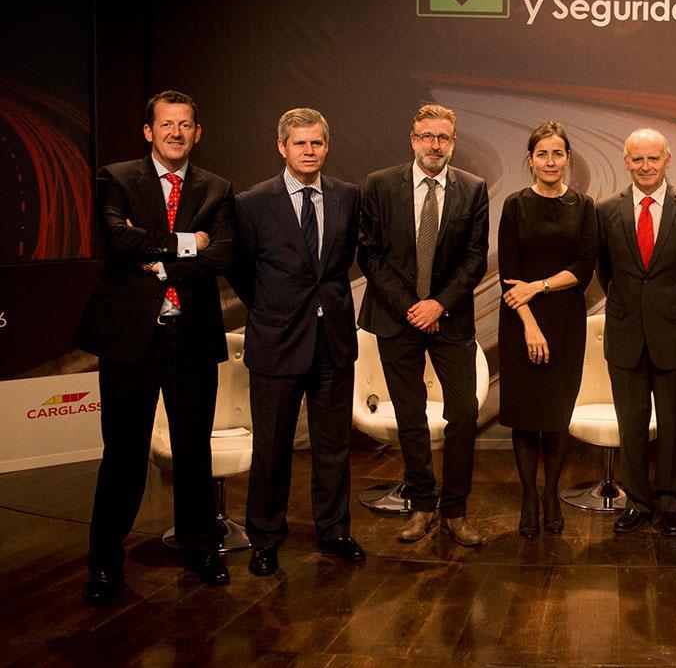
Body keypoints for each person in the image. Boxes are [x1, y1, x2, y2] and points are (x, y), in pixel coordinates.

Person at [74, 89, 235, 604]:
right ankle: (104, 562)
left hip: (191, 336)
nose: (175, 133)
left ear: (197, 132)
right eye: (166, 124)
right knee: (122, 454)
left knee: (193, 451)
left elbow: (224, 255)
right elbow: (118, 241)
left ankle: (200, 547)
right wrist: (190, 243)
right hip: (129, 340)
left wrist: (159, 257)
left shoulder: (217, 187)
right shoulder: (116, 178)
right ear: (149, 131)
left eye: (185, 125)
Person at [232, 108, 363, 576]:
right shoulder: (252, 202)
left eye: (317, 144)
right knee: (272, 448)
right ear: (282, 147)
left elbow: (343, 261)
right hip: (277, 341)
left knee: (333, 447)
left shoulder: (348, 196)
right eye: (300, 144)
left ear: (326, 147)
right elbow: (242, 271)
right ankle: (265, 538)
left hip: (333, 341)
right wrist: (277, 308)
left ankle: (335, 530)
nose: (309, 151)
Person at [358, 104, 489, 547]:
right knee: (410, 418)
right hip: (398, 319)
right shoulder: (380, 185)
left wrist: (437, 305)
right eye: (427, 136)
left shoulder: (473, 189)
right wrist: (413, 306)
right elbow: (370, 253)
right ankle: (420, 507)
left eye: (444, 138)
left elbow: (474, 259)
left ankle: (456, 510)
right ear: (413, 140)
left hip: (449, 320)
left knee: (464, 414)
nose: (435, 145)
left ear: (453, 141)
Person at [596, 129, 676, 537]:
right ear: (625, 161)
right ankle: (638, 502)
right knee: (631, 426)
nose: (645, 167)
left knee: (673, 425)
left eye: (653, 159)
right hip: (627, 334)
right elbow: (605, 272)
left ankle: (670, 505)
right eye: (637, 160)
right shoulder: (606, 210)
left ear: (667, 160)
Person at [498, 121, 597, 538]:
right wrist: (529, 325)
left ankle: (552, 493)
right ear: (531, 159)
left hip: (565, 320)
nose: (550, 161)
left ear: (568, 158)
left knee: (556, 416)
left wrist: (539, 286)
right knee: (526, 415)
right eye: (542, 154)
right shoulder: (515, 205)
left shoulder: (584, 206)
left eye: (558, 154)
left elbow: (583, 268)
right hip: (520, 321)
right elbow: (508, 275)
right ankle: (529, 496)